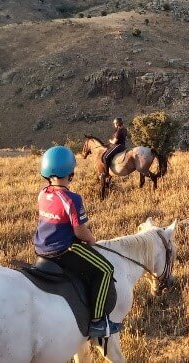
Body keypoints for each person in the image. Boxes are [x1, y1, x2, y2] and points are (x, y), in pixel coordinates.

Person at [33, 145, 120, 338]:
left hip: (41, 249)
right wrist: (91, 239)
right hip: (62, 250)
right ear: (70, 171)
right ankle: (98, 322)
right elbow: (80, 231)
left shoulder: (42, 193)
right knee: (105, 269)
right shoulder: (71, 199)